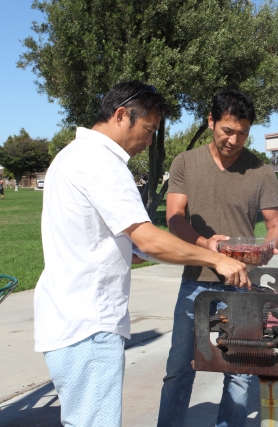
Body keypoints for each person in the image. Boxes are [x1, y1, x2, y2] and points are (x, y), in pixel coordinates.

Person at [34, 81, 249, 427]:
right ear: (121, 116)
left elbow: (98, 235)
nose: (150, 140)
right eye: (148, 130)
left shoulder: (71, 155)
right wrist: (216, 258)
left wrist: (126, 251)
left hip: (67, 316)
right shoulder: (102, 162)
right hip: (89, 322)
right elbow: (148, 238)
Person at [158, 90, 278, 427]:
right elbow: (174, 217)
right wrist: (204, 245)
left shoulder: (260, 171)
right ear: (211, 121)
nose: (234, 140)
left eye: (243, 133)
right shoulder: (185, 162)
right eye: (228, 130)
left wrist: (264, 250)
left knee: (239, 372)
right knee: (179, 368)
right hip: (196, 281)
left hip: (241, 286)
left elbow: (275, 229)